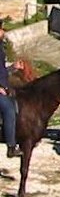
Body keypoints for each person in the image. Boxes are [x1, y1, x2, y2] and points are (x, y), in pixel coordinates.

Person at [0, 23, 22, 157]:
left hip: (4, 86)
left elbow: (2, 71)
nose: (3, 32)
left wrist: (13, 68)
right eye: (1, 29)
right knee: (8, 109)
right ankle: (11, 147)